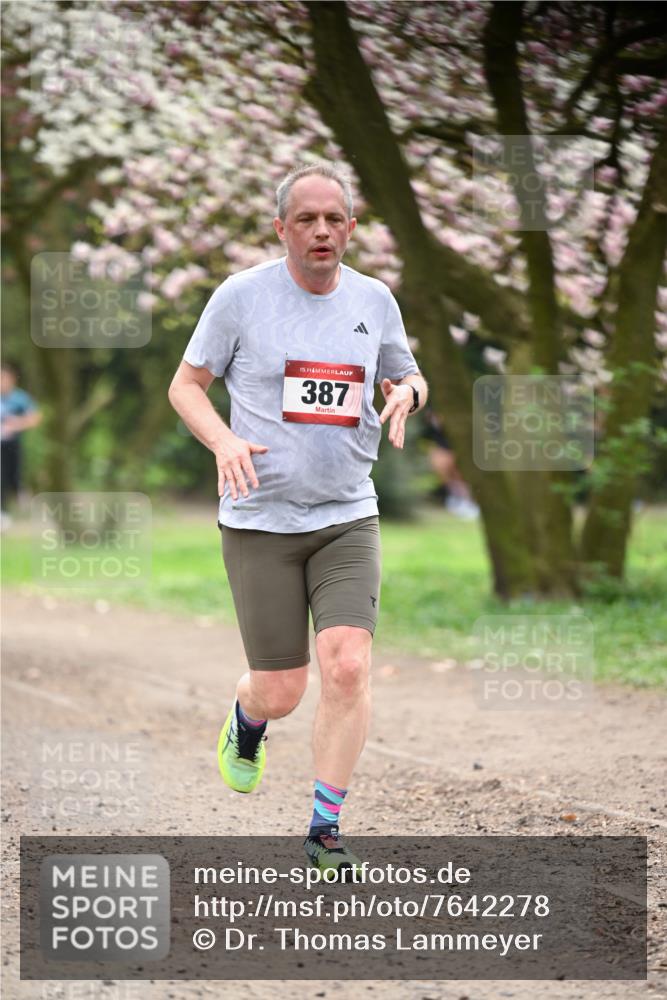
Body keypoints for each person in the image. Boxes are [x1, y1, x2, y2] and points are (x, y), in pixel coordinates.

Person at [168, 162, 428, 879]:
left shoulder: (374, 300)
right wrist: (221, 440)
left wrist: (408, 390)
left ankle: (324, 831)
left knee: (346, 666)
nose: (321, 230)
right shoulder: (241, 298)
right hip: (260, 520)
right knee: (281, 688)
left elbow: (404, 369)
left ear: (350, 225)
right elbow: (185, 385)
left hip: (348, 514)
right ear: (280, 228)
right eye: (305, 219)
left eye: (334, 218)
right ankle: (247, 720)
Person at [1, 361, 42, 531]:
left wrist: (17, 424)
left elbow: (35, 418)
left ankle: (21, 500)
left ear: (12, 379)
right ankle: (3, 514)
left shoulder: (20, 398)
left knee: (14, 478)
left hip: (14, 445)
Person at [420, 408, 479, 520]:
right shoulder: (433, 427)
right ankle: (457, 500)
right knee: (450, 478)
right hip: (444, 451)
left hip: (456, 451)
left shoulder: (454, 423)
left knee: (460, 477)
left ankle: (468, 502)